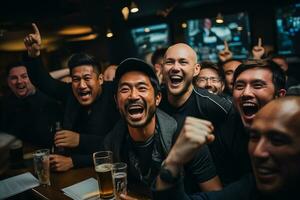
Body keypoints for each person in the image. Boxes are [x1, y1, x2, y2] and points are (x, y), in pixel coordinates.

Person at [103, 58, 220, 193]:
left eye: (142, 88)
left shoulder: (185, 137)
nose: (133, 95)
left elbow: (215, 195)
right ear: (117, 102)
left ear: (157, 98)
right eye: (124, 89)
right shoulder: (112, 142)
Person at [153, 96, 300, 200]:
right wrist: (173, 162)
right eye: (254, 137)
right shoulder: (251, 188)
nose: (258, 152)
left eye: (277, 140)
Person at [23, 23, 119, 171]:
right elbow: (44, 82)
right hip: (75, 175)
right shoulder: (70, 93)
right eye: (76, 79)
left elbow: (117, 146)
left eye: (87, 78)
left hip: (107, 171)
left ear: (100, 79)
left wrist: (78, 145)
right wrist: (34, 56)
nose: (81, 85)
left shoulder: (115, 97)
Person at [160, 43, 232, 192]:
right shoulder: (155, 100)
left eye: (183, 62)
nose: (175, 67)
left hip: (206, 182)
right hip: (171, 182)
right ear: (162, 69)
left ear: (196, 70)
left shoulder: (211, 104)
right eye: (169, 62)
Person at [212, 59, 286, 185]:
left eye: (257, 85)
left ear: (279, 96)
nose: (246, 93)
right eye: (239, 86)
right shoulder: (224, 132)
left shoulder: (294, 131)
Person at [0, 62, 62, 147]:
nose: (19, 81)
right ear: (8, 81)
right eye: (14, 78)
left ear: (32, 78)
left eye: (24, 76)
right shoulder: (4, 104)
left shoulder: (50, 100)